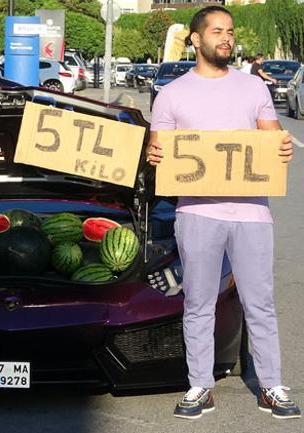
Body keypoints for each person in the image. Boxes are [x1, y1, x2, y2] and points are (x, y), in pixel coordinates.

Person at [146, 6, 298, 420]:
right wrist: (153, 152)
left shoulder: (254, 89)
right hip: (197, 214)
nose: (226, 38)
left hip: (252, 215)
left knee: (260, 303)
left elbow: (273, 142)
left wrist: (282, 147)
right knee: (198, 301)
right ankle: (200, 387)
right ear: (196, 39)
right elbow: (158, 152)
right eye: (217, 31)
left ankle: (271, 386)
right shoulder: (173, 94)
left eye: (230, 31)